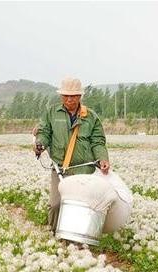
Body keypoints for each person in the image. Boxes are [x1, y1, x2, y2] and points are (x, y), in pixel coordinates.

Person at [34, 77, 110, 231]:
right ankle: (54, 234)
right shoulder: (52, 113)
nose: (70, 99)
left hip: (83, 170)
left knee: (82, 205)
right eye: (66, 95)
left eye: (73, 95)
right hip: (60, 168)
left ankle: (78, 238)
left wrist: (102, 158)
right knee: (56, 204)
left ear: (80, 96)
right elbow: (44, 132)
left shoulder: (90, 116)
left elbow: (97, 141)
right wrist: (40, 144)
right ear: (61, 96)